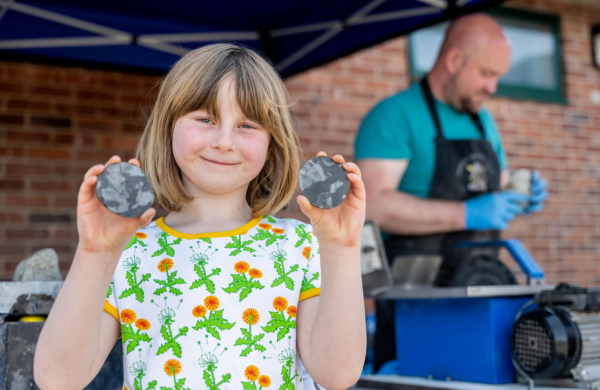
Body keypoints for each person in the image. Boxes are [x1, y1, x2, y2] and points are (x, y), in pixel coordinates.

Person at [34, 44, 366, 390]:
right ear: (169, 126)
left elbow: (337, 374)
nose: (224, 141)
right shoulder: (128, 251)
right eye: (205, 119)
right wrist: (95, 253)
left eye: (247, 125)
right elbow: (57, 380)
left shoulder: (299, 244)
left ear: (272, 143)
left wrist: (342, 247)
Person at [355, 13, 547, 372]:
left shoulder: (481, 119)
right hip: (414, 296)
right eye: (487, 74)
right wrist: (466, 214)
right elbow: (372, 205)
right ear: (454, 60)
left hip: (481, 287)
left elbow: (493, 182)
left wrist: (521, 191)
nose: (493, 87)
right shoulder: (393, 116)